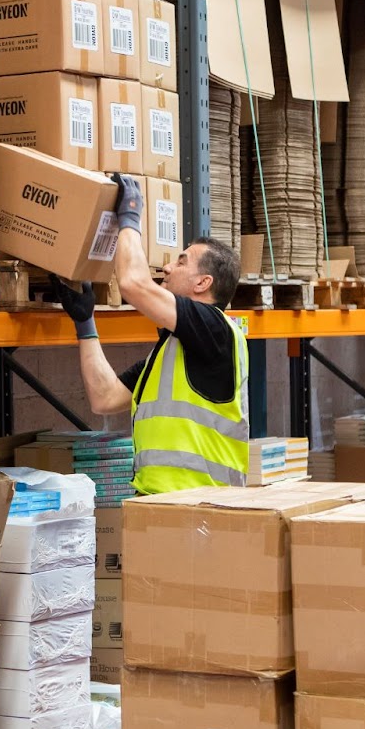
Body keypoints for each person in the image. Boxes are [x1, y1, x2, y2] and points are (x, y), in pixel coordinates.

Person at [52, 175, 249, 494]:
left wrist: (129, 216)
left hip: (206, 508)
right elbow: (105, 398)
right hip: (158, 504)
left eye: (182, 262)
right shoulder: (171, 355)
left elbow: (133, 284)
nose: (168, 268)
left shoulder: (216, 330)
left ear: (203, 283)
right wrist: (85, 324)